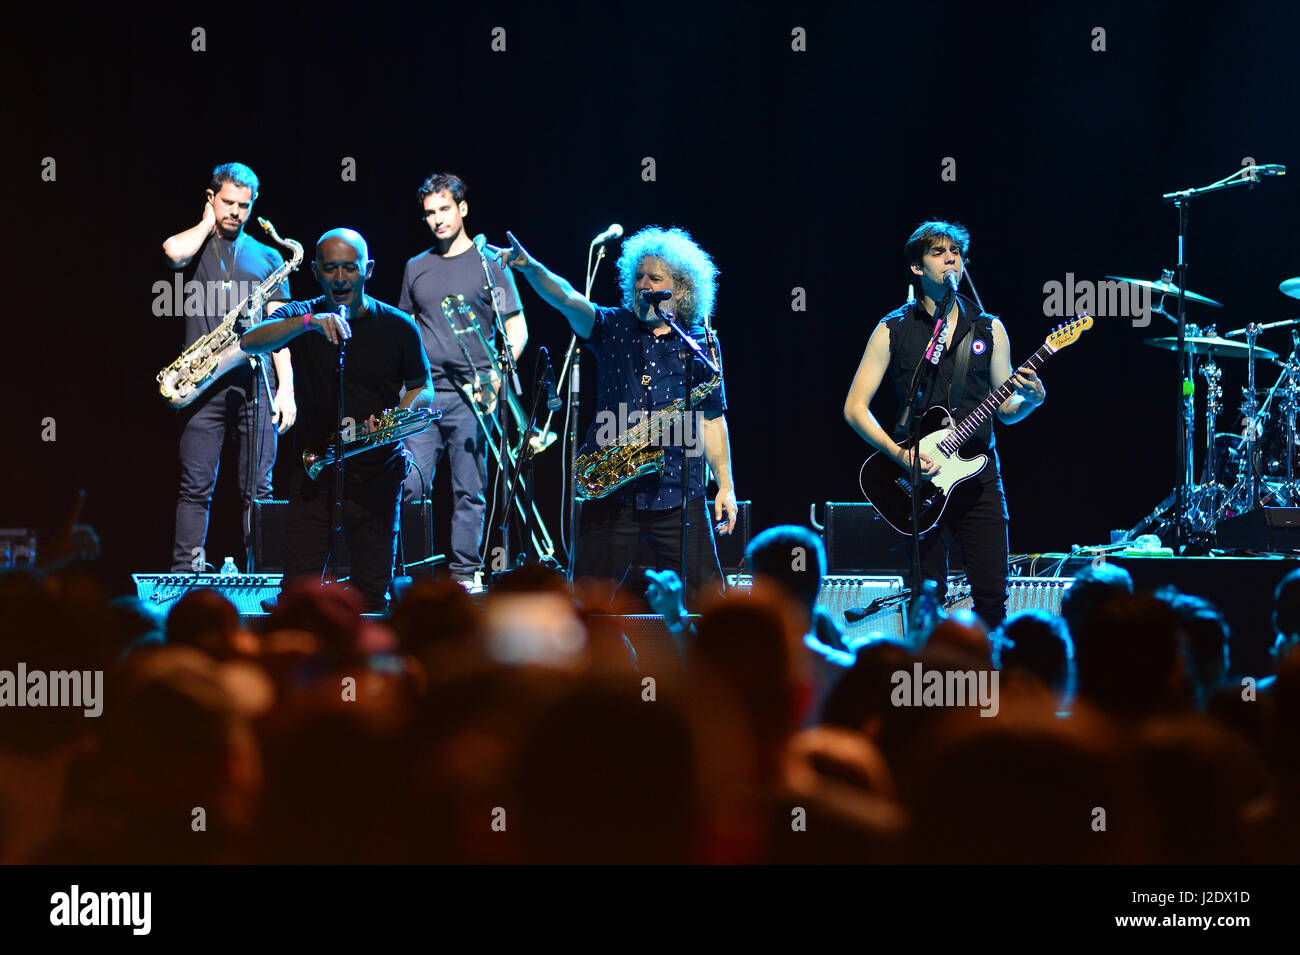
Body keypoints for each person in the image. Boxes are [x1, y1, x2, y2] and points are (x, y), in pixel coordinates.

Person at [494, 226, 737, 602]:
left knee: (709, 602)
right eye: (638, 276)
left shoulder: (701, 343)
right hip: (611, 489)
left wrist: (725, 485)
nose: (643, 285)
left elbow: (712, 418)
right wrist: (531, 268)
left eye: (654, 278)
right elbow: (568, 299)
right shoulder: (612, 326)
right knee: (586, 604)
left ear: (682, 289)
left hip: (678, 491)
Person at [843, 221, 1045, 628]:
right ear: (917, 268)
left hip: (978, 479)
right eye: (938, 252)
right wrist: (899, 455)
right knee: (925, 601)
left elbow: (1006, 411)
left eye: (956, 252)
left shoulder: (989, 328)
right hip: (918, 481)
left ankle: (988, 668)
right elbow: (855, 408)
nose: (951, 259)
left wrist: (1032, 400)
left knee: (992, 597)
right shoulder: (893, 329)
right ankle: (926, 669)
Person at [241, 229, 434, 611]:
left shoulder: (398, 325)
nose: (341, 278)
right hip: (316, 473)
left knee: (371, 596)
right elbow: (250, 341)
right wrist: (308, 323)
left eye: (350, 268)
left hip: (377, 473)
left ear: (368, 270)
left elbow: (422, 386)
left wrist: (398, 418)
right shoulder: (303, 315)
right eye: (330, 269)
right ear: (315, 271)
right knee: (299, 597)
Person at [162, 162, 296, 572]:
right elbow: (173, 252)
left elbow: (279, 330)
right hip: (202, 385)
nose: (236, 212)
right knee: (195, 488)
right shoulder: (195, 245)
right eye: (227, 203)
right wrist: (207, 223)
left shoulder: (269, 256)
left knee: (259, 490)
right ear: (211, 198)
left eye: (244, 205)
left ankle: (264, 578)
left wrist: (286, 389)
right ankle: (185, 576)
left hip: (255, 384)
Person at [398, 173, 529, 590]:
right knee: (410, 484)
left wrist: (497, 376)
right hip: (423, 393)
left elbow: (517, 328)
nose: (437, 219)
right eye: (429, 213)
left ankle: (463, 576)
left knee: (469, 489)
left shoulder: (490, 263)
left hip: (474, 395)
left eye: (444, 209)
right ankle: (409, 575)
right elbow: (407, 329)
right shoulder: (415, 267)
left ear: (463, 209)